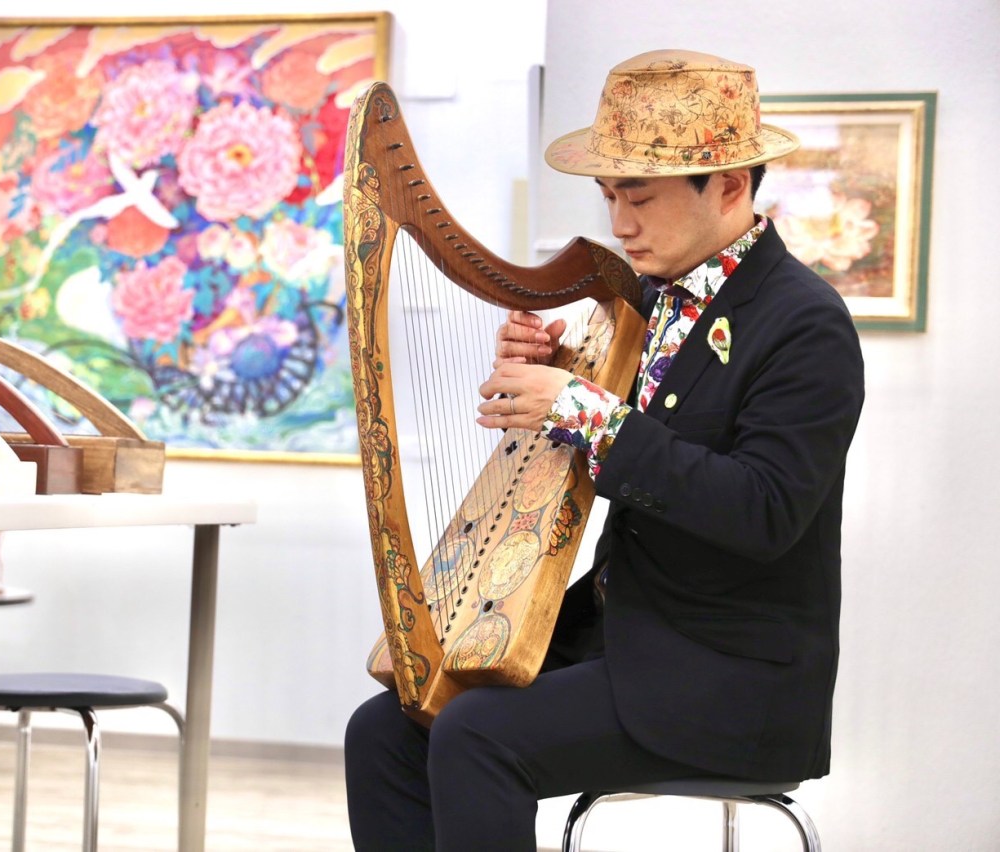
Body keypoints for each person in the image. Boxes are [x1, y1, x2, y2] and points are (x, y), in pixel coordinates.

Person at [343, 49, 865, 850]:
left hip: (732, 682)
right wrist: (549, 377)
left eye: (640, 198)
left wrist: (587, 413)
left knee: (477, 735)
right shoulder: (646, 303)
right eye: (610, 195)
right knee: (383, 731)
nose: (620, 224)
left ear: (729, 187)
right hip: (625, 644)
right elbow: (641, 434)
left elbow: (765, 512)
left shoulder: (805, 322)